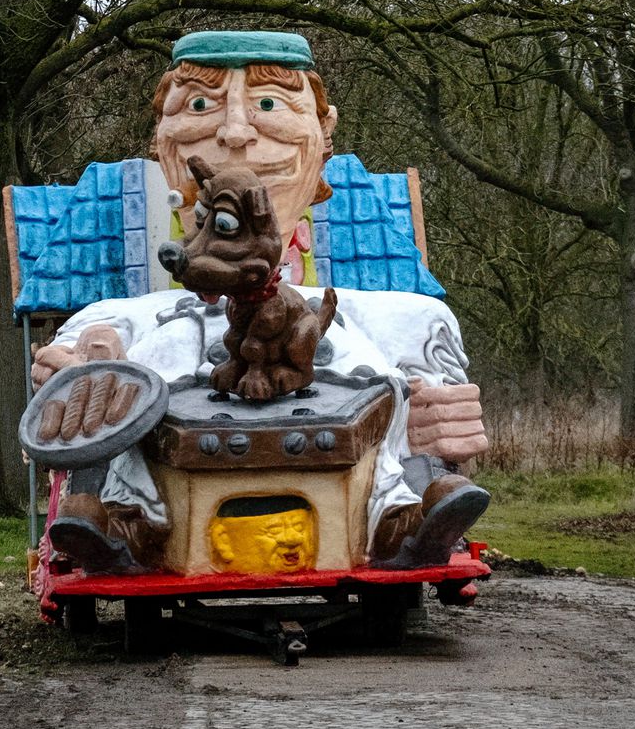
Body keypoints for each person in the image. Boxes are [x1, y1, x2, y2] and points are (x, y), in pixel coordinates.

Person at [30, 29, 489, 572]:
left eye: (270, 105)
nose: (235, 133)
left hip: (331, 427)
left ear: (323, 134)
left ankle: (403, 522)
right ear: (161, 141)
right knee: (121, 408)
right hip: (182, 444)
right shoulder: (133, 313)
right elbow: (80, 352)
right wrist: (78, 369)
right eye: (200, 106)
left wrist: (440, 417)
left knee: (389, 400)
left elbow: (435, 374)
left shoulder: (383, 309)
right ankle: (121, 527)